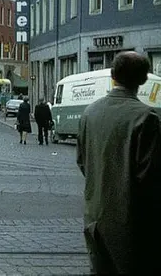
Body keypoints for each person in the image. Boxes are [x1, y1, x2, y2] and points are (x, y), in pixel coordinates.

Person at [77, 51, 161, 274]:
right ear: (143, 79)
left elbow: (83, 162)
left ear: (113, 76)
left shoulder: (89, 113)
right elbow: (151, 177)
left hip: (95, 219)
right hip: (133, 224)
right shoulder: (147, 117)